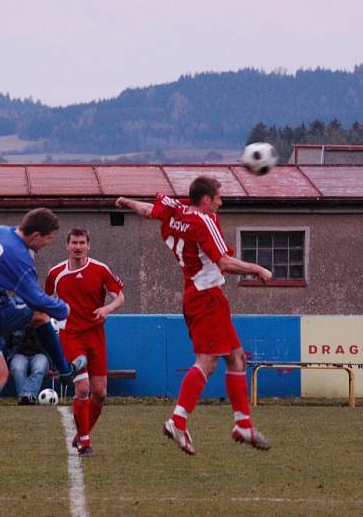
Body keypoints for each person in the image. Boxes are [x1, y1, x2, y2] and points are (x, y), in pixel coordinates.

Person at [116, 176, 274, 455]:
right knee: (207, 362)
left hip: (198, 294)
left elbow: (148, 211)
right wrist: (257, 269)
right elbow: (223, 261)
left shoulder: (177, 211)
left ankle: (243, 424)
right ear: (206, 200)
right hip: (206, 296)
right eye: (218, 198)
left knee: (236, 357)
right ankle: (178, 420)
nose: (221, 202)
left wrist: (127, 202)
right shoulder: (204, 222)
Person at [0, 207, 86, 462]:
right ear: (36, 235)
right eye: (49, 238)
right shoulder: (20, 258)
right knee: (40, 314)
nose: (49, 244)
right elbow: (36, 298)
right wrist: (64, 309)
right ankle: (65, 370)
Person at [45, 228, 125, 457]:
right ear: (67, 246)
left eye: (82, 242)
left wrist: (107, 308)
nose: (78, 247)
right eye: (74, 243)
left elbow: (119, 296)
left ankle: (82, 432)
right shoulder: (55, 273)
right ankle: (85, 444)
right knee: (83, 388)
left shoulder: (100, 270)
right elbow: (46, 299)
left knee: (100, 393)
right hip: (71, 336)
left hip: (95, 335)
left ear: (89, 245)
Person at [5, 323, 50, 405]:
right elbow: (6, 343)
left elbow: (52, 345)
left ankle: (25, 397)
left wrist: (54, 367)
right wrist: (4, 365)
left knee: (39, 367)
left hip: (40, 354)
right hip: (18, 354)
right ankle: (28, 397)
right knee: (17, 368)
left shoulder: (43, 320)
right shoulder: (15, 319)